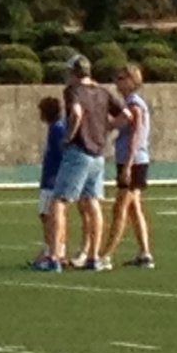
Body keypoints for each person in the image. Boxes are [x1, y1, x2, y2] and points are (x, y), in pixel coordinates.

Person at [56, 55, 123, 271]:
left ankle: (55, 256)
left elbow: (76, 112)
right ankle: (94, 256)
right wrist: (105, 129)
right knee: (93, 202)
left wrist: (69, 136)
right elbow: (127, 115)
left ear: (74, 72)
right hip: (98, 154)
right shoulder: (103, 91)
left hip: (79, 151)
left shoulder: (74, 91)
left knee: (60, 201)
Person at [101, 65, 155, 269]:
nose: (117, 82)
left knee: (120, 208)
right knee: (134, 209)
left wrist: (128, 165)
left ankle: (106, 254)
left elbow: (134, 136)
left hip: (134, 161)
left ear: (133, 80)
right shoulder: (129, 104)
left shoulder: (134, 105)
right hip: (131, 160)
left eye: (122, 78)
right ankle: (144, 253)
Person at [28, 94, 68, 271]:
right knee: (55, 215)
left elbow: (61, 153)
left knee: (48, 215)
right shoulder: (56, 128)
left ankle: (51, 251)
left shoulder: (57, 129)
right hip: (52, 177)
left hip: (53, 179)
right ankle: (58, 249)